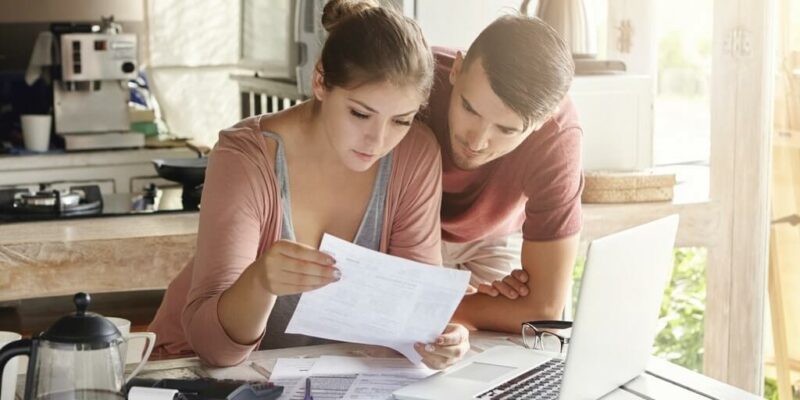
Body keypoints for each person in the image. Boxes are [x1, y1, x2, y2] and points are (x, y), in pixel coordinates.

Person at [148, 0, 469, 370]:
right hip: (194, 370)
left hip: (318, 378)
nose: (377, 141)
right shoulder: (246, 157)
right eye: (360, 114)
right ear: (320, 81)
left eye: (401, 120)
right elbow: (214, 350)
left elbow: (413, 313)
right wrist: (260, 282)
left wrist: (438, 340)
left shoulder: (415, 154)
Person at [419, 7, 584, 333]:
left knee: (507, 352)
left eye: (506, 130)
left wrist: (430, 305)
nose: (476, 141)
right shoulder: (416, 81)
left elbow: (545, 312)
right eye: (469, 108)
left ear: (541, 121)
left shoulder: (559, 136)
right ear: (457, 68)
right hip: (406, 231)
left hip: (492, 238)